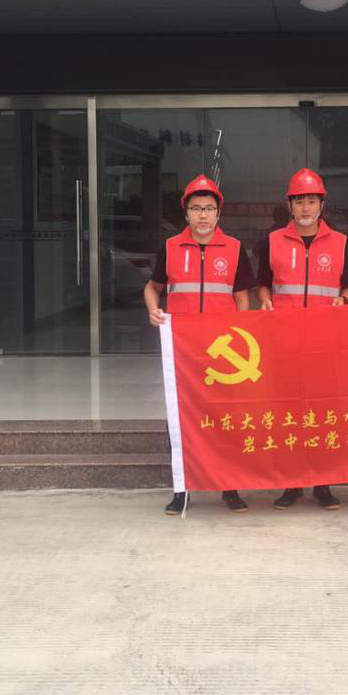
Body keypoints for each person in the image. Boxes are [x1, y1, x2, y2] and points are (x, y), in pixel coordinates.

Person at [144, 174, 254, 516]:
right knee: (182, 420)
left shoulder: (234, 249)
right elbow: (152, 287)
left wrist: (241, 330)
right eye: (196, 208)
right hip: (184, 352)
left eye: (208, 208)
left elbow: (242, 297)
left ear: (218, 213)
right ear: (186, 213)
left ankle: (229, 487)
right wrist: (153, 310)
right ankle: (182, 490)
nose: (203, 215)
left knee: (226, 418)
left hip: (224, 353)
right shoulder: (170, 248)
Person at [256, 168, 348, 511]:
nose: (305, 207)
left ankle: (323, 485)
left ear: (322, 204)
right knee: (288, 413)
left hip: (324, 343)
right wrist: (265, 300)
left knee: (322, 413)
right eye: (299, 201)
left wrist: (343, 298)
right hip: (284, 343)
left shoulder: (341, 243)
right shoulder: (271, 241)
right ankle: (292, 484)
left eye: (311, 201)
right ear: (289, 205)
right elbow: (262, 283)